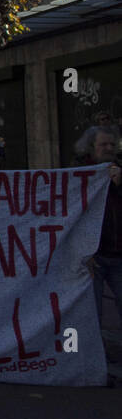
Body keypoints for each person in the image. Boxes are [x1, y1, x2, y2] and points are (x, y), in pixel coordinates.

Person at [77, 126, 122, 331]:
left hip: (118, 254)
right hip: (92, 257)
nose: (109, 148)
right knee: (93, 313)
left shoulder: (119, 170)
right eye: (103, 144)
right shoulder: (78, 173)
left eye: (112, 144)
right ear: (91, 147)